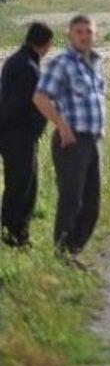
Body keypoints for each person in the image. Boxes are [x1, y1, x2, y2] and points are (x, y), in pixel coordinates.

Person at [33, 15, 105, 266]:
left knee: (92, 203)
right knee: (71, 199)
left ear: (95, 34)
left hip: (92, 141)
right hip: (71, 142)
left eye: (88, 31)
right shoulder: (62, 64)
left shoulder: (95, 63)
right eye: (79, 32)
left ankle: (72, 252)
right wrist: (62, 126)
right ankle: (62, 253)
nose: (84, 36)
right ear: (70, 35)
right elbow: (40, 98)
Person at [0, 22, 54, 247]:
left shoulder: (17, 61)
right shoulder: (28, 68)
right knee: (22, 186)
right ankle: (16, 235)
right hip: (18, 136)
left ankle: (14, 231)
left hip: (15, 135)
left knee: (23, 184)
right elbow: (17, 105)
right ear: (45, 44)